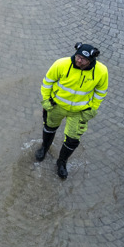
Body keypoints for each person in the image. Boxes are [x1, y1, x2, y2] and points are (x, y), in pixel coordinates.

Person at [35, 44, 108, 179]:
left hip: (79, 112)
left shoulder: (101, 71)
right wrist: (46, 100)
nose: (78, 60)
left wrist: (92, 108)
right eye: (78, 56)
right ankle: (44, 148)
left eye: (83, 59)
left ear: (91, 60)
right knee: (49, 127)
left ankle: (62, 162)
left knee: (73, 140)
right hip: (56, 106)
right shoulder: (61, 64)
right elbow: (47, 82)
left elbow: (100, 92)